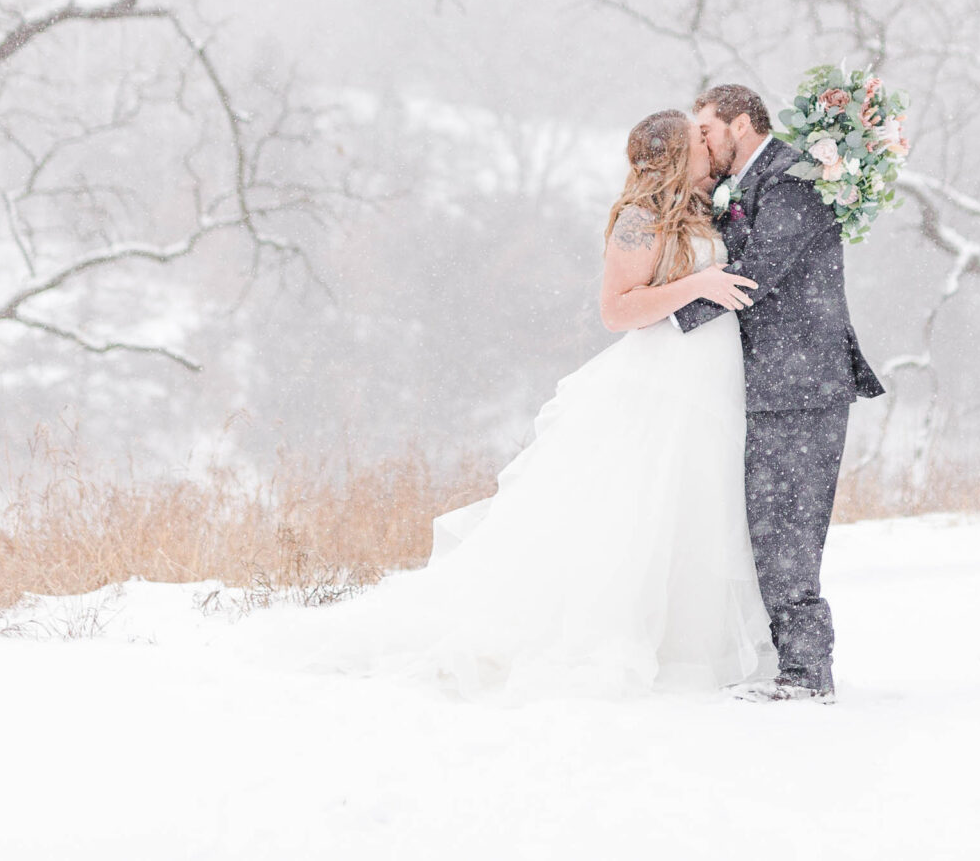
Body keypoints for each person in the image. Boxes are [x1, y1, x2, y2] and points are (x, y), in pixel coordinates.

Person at [251, 108, 773, 698]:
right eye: (697, 137)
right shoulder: (640, 217)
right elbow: (616, 309)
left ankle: (684, 643)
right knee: (636, 510)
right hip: (659, 385)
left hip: (702, 387)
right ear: (678, 154)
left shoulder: (702, 209)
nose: (709, 142)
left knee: (690, 508)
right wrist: (696, 286)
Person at [675, 82, 886, 704]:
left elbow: (759, 271)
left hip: (800, 384)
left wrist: (664, 317)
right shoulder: (747, 184)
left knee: (786, 526)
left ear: (741, 124)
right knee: (763, 525)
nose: (702, 142)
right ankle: (783, 661)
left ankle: (806, 672)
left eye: (707, 129)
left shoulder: (791, 177)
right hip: (771, 383)